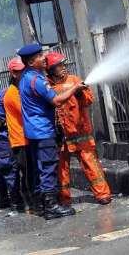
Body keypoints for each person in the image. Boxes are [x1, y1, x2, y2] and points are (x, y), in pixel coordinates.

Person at [18, 44, 84, 220]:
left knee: (39, 168)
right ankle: (52, 206)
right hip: (43, 131)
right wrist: (74, 88)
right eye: (40, 56)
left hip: (32, 131)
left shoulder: (25, 77)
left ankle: (40, 205)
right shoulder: (37, 80)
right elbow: (56, 101)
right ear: (32, 61)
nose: (44, 58)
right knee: (48, 167)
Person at [46, 51, 112, 206]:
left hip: (80, 133)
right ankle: (64, 199)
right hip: (60, 137)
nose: (63, 68)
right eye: (59, 66)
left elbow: (89, 100)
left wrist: (81, 92)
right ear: (50, 69)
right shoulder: (46, 86)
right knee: (61, 171)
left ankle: (103, 194)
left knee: (91, 164)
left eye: (64, 65)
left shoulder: (75, 80)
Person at [4, 57, 39, 215]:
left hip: (27, 137)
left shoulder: (20, 89)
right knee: (27, 173)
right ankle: (31, 203)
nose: (22, 73)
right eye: (18, 71)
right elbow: (27, 110)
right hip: (20, 140)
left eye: (23, 69)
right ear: (12, 73)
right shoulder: (12, 93)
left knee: (31, 171)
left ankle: (33, 202)